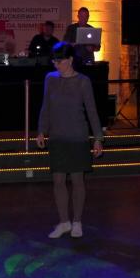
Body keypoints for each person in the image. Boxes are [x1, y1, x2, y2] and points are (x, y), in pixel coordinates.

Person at [36, 42, 104, 238]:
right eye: (54, 62)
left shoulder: (83, 81)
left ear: (70, 60)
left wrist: (98, 138)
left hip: (77, 136)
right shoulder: (50, 79)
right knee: (58, 180)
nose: (56, 65)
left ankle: (77, 221)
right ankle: (64, 222)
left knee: (77, 179)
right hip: (57, 136)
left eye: (60, 61)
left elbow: (91, 111)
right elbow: (46, 106)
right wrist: (41, 130)